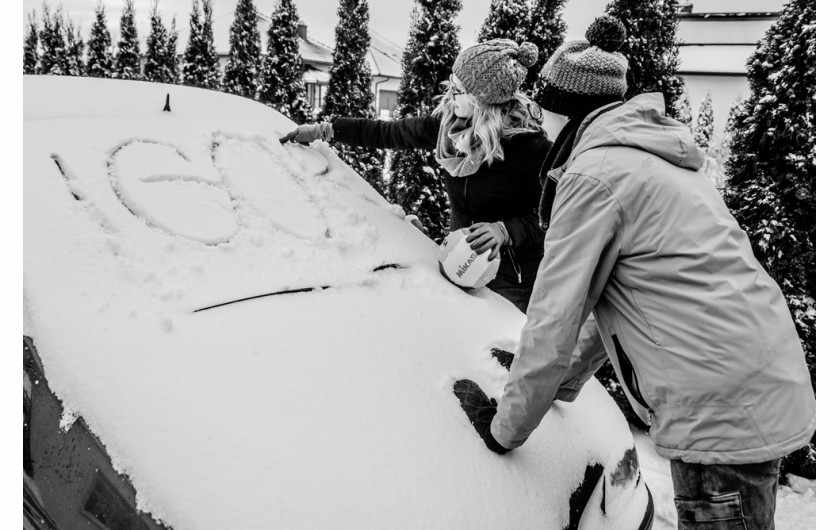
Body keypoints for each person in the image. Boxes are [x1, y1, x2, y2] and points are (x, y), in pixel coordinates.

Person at [453, 16, 816, 529]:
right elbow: (629, 309)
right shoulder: (654, 157)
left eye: (544, 106)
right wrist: (558, 385)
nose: (539, 117)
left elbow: (555, 316)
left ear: (564, 110)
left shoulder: (592, 175)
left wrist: (504, 428)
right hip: (753, 381)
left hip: (716, 407)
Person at [280, 39, 552, 313]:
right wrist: (325, 130)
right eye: (451, 84)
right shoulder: (449, 128)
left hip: (513, 279)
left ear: (484, 99)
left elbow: (554, 218)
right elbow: (388, 133)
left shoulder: (530, 148)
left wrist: (504, 230)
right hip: (459, 261)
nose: (449, 95)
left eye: (459, 90)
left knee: (509, 348)